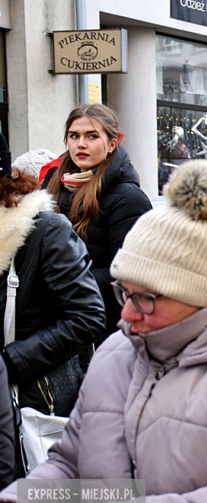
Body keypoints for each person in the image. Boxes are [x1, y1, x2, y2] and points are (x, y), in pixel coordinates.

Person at [0, 160, 207, 503]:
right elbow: (81, 470)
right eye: (124, 292)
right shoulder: (119, 351)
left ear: (198, 297)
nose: (125, 315)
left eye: (145, 298)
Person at [0, 131, 106, 476]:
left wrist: (10, 363)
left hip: (35, 400)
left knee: (42, 500)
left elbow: (88, 316)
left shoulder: (44, 229)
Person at [43, 104, 152, 346]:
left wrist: (58, 282)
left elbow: (128, 274)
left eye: (92, 136)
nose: (81, 144)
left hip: (102, 330)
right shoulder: (50, 186)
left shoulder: (128, 198)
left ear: (112, 144)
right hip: (55, 324)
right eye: (74, 136)